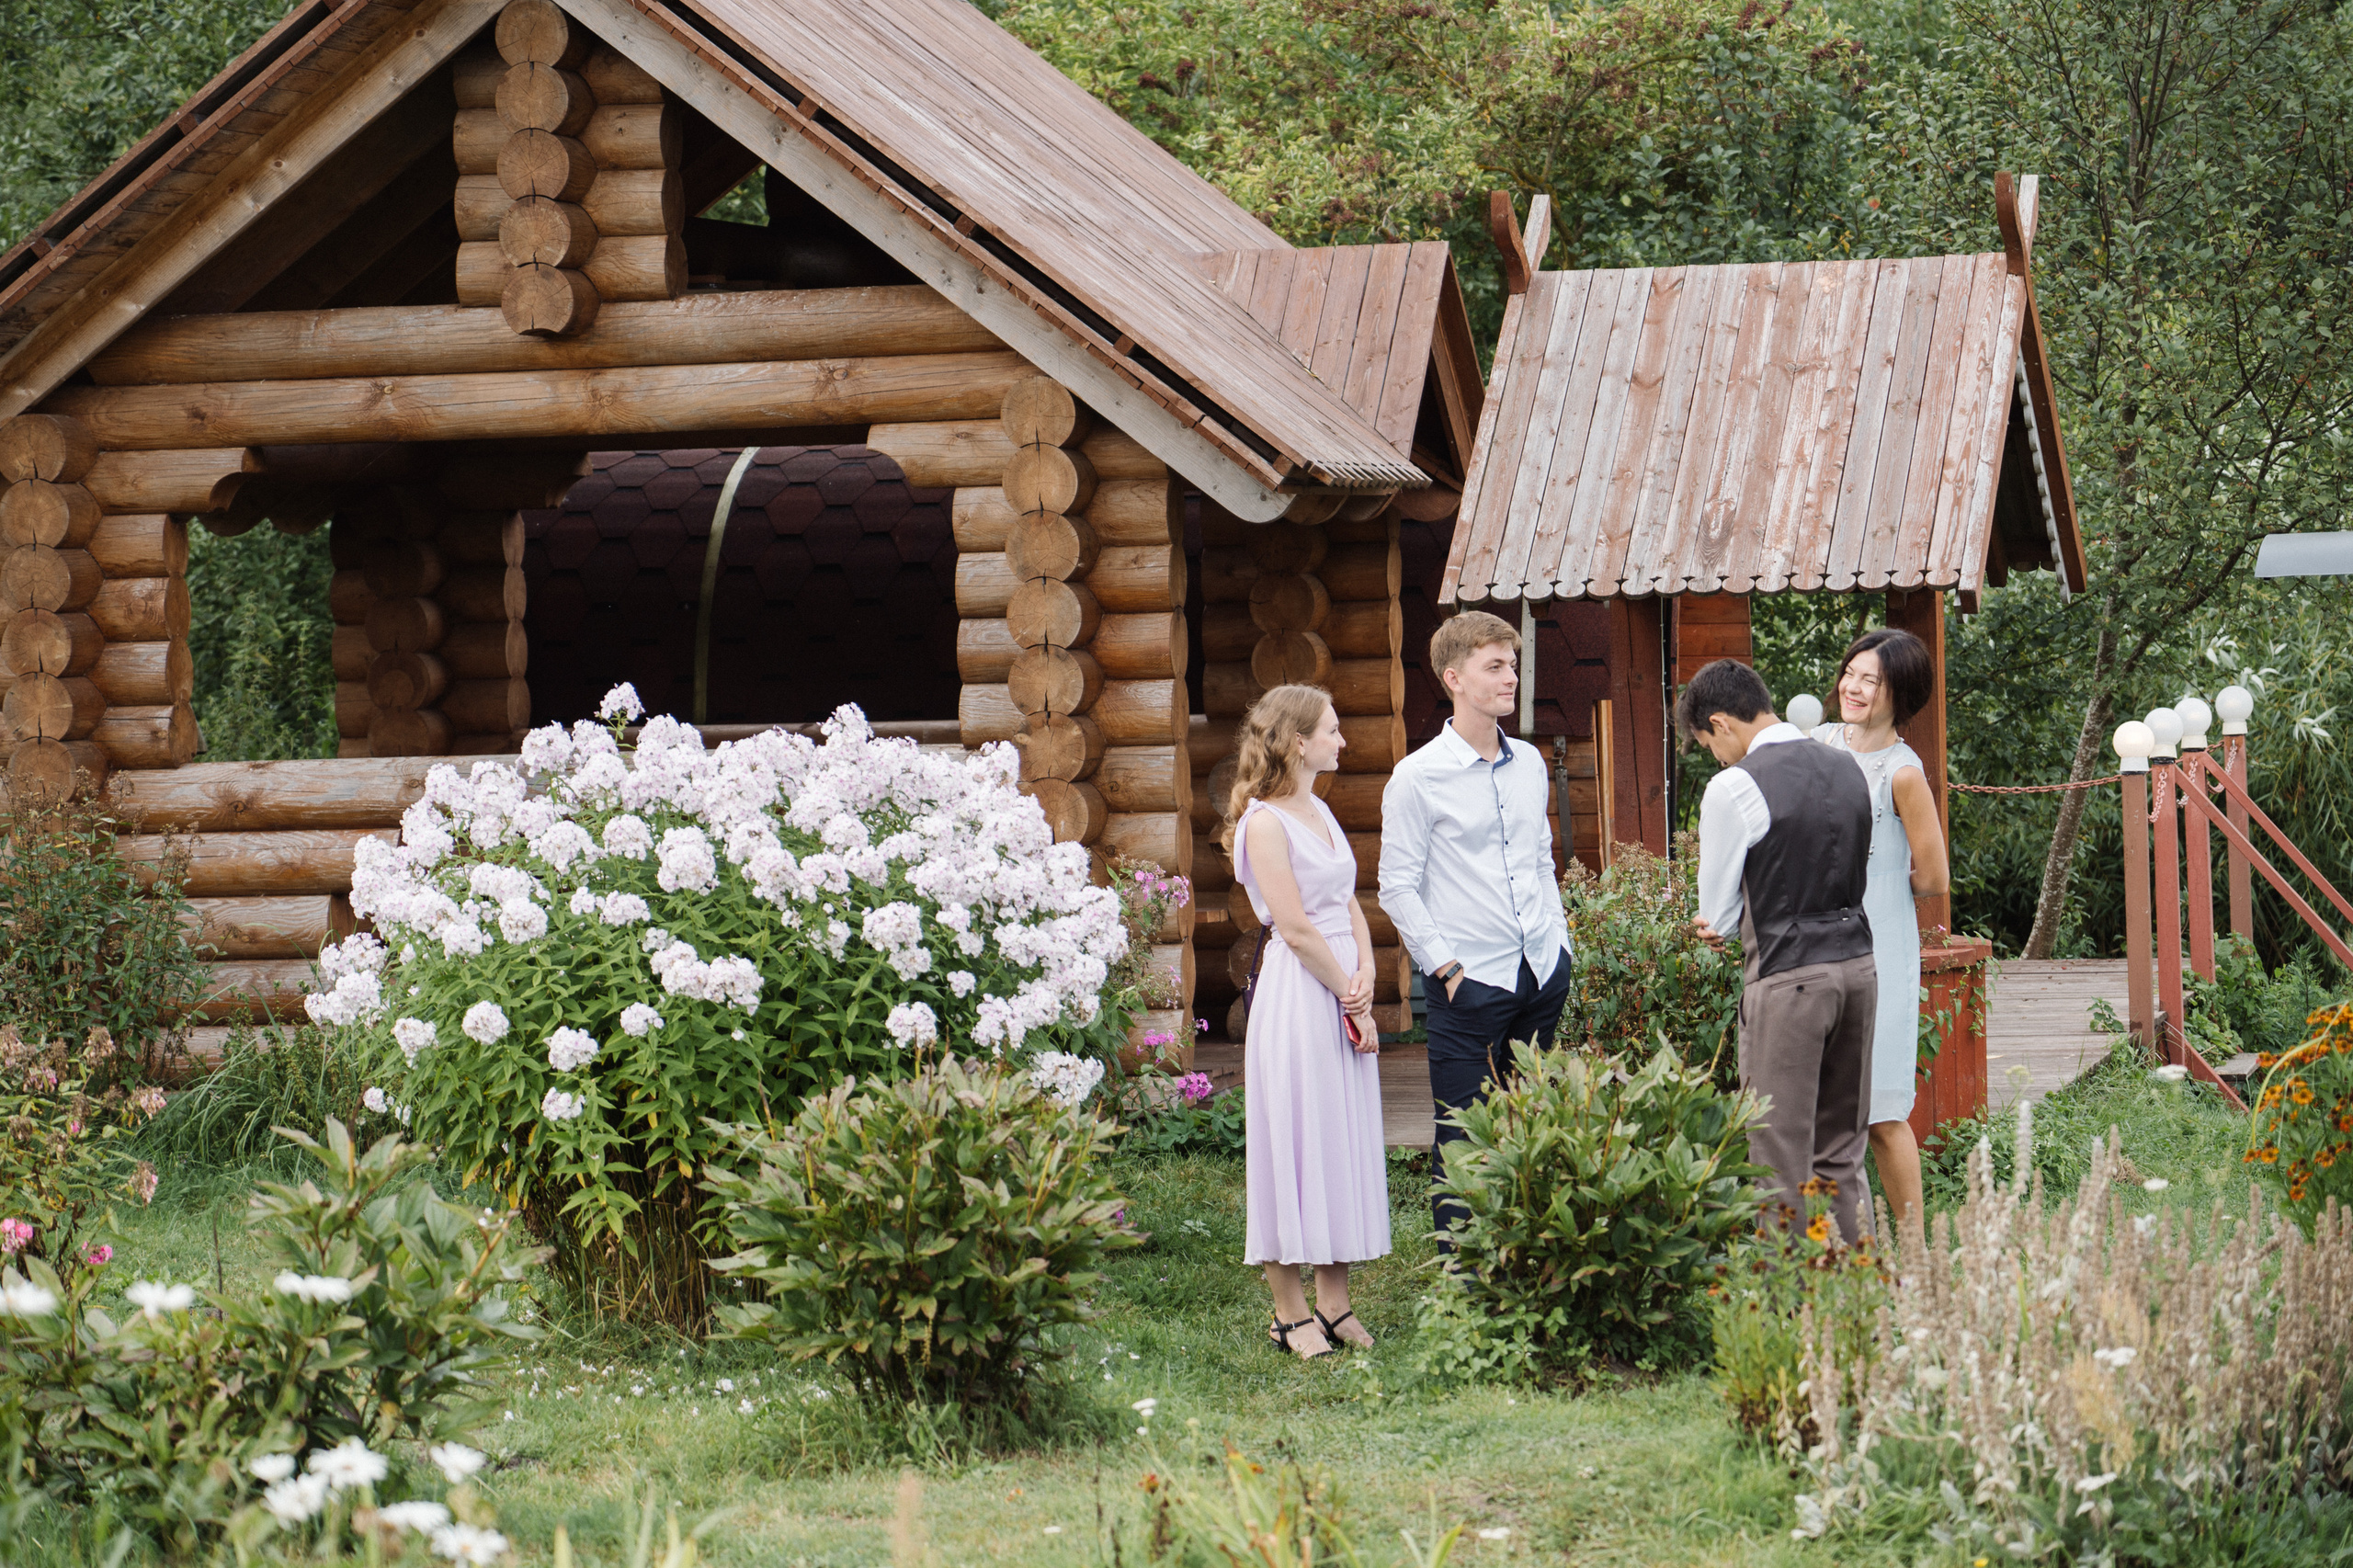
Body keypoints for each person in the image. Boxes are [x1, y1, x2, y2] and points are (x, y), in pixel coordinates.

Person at [1378, 610, 1573, 1244]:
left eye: (1512, 665)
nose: (1511, 677)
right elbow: (1397, 887)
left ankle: (1522, 1259)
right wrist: (1447, 968)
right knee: (1462, 1132)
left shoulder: (1530, 765)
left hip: (1539, 971)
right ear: (1454, 678)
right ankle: (1463, 1279)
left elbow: (1542, 860)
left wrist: (1560, 945)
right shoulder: (1416, 777)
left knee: (1531, 1123)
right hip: (1469, 982)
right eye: (1496, 666)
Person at [1681, 658, 1877, 1243]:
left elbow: (1716, 915)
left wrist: (1710, 924)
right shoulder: (1849, 767)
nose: (1716, 758)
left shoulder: (1734, 786)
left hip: (1789, 981)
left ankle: (1794, 1314)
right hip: (1860, 971)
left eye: (1708, 744)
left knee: (1777, 1159)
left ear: (1721, 723)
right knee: (1841, 1151)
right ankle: (1860, 1296)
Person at [1227, 683, 1389, 1359]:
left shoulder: (1319, 808)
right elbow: (1293, 924)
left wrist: (1369, 973)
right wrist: (1347, 994)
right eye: (1332, 729)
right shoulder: (1264, 822)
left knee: (1338, 1136)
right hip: (1301, 994)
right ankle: (1288, 1313)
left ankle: (1334, 1303)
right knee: (1293, 1138)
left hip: (1343, 981)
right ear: (1298, 741)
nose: (1342, 740)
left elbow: (1347, 898)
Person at [1812, 629, 1949, 1233]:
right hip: (1814, 947)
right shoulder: (1814, 746)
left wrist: (1875, 883)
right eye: (1852, 673)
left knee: (1883, 1112)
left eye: (1873, 680)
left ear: (1902, 694)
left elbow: (1934, 875)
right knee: (1820, 1107)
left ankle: (1916, 1254)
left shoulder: (1903, 772)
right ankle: (1842, 1245)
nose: (1855, 687)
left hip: (1882, 952)